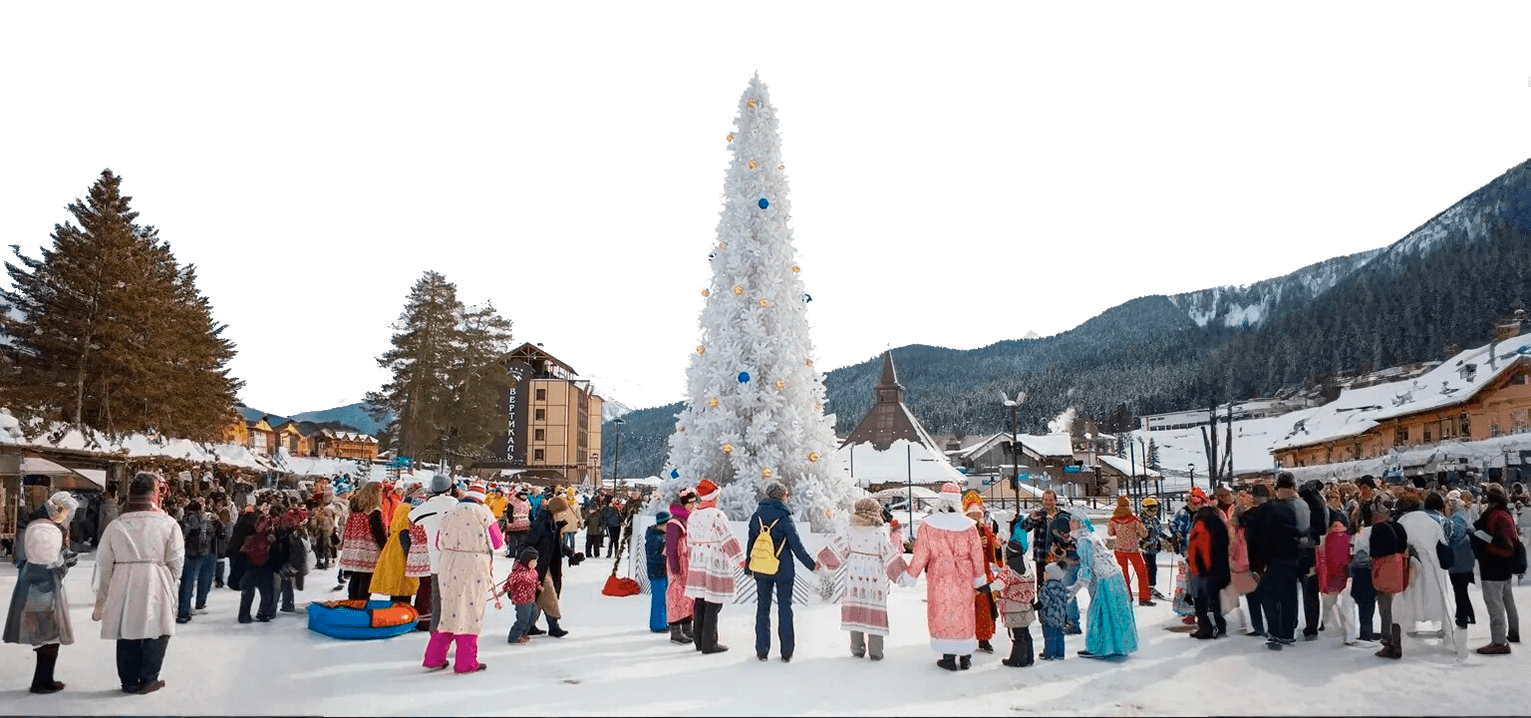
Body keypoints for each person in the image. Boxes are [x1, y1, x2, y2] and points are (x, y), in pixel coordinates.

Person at [92, 472, 184, 695]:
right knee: (157, 629)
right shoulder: (168, 524)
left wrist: (103, 596)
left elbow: (104, 563)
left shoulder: (116, 525)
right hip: (156, 577)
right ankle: (149, 678)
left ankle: (129, 681)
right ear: (155, 494)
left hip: (123, 579)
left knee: (126, 629)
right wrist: (168, 581)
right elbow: (176, 560)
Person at [904, 482, 986, 671]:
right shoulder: (969, 526)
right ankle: (965, 657)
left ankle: (948, 657)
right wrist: (979, 577)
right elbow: (976, 554)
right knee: (963, 612)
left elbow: (920, 554)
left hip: (940, 575)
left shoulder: (928, 526)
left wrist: (911, 574)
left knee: (943, 612)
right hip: (963, 574)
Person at [423, 482, 503, 673]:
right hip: (473, 565)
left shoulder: (449, 513)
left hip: (448, 564)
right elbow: (497, 542)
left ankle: (434, 658)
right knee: (470, 612)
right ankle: (466, 662)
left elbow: (438, 542)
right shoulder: (484, 513)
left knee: (448, 610)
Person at [4, 491, 79, 693]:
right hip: (43, 589)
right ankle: (42, 681)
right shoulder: (48, 531)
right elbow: (47, 563)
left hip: (29, 586)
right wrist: (66, 563)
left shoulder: (34, 526)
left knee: (44, 636)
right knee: (50, 637)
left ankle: (44, 679)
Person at [816, 497, 907, 662]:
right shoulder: (879, 533)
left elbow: (836, 550)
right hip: (874, 582)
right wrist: (901, 575)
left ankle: (857, 649)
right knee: (874, 611)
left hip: (854, 580)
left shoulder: (849, 531)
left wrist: (822, 560)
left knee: (856, 611)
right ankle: (876, 651)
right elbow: (890, 556)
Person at [741, 481, 818, 663]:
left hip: (760, 568)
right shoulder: (785, 517)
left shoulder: (756, 516)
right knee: (785, 608)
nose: (788, 497)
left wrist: (748, 567)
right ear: (782, 495)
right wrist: (812, 565)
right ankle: (786, 651)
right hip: (783, 569)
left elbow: (751, 544)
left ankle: (762, 650)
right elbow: (796, 546)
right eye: (786, 494)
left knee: (762, 608)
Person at [1392, 490, 1467, 661]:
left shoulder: (1402, 521)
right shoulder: (1431, 521)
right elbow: (1443, 544)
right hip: (1433, 567)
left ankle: (1399, 635)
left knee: (1405, 599)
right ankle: (1450, 635)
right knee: (1440, 598)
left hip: (1409, 567)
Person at [685, 479, 745, 655]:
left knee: (700, 601)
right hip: (713, 560)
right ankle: (709, 643)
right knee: (713, 603)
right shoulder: (717, 515)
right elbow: (728, 539)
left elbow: (689, 542)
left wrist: (692, 559)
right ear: (713, 497)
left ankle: (699, 640)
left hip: (698, 559)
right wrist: (740, 560)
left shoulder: (693, 515)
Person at [1068, 514, 1140, 657]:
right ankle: (1119, 646)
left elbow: (1086, 570)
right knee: (1115, 611)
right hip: (1115, 576)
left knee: (1099, 613)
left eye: (1074, 521)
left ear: (1081, 523)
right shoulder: (1090, 534)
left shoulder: (1083, 541)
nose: (1071, 524)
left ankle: (1098, 648)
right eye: (1070, 521)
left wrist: (1072, 591)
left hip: (1105, 579)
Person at [1249, 472, 1303, 650]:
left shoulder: (1265, 509)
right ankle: (1287, 633)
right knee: (1289, 597)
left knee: (1268, 596)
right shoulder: (1298, 508)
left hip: (1270, 560)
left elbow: (1253, 535)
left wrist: (1255, 562)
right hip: (1292, 559)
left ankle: (1275, 632)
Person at [1471, 485, 1521, 654]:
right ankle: (1513, 632)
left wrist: (1484, 545)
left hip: (1493, 566)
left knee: (1495, 605)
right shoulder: (1506, 514)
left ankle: (1499, 641)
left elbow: (1501, 543)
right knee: (1508, 601)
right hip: (1505, 566)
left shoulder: (1495, 516)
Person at [409, 474, 459, 632]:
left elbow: (413, 519)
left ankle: (436, 636)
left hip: (435, 560)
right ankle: (453, 632)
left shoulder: (425, 508)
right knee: (454, 600)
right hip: (456, 560)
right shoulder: (458, 505)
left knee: (435, 598)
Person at [370, 484, 428, 603]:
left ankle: (396, 608)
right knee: (403, 584)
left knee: (397, 584)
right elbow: (405, 531)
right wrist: (410, 554)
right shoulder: (408, 509)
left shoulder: (402, 506)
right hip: (401, 548)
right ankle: (401, 612)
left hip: (395, 545)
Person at [1186, 503, 1230, 639]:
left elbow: (1201, 548)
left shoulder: (1201, 525)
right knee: (1215, 600)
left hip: (1203, 570)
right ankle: (1220, 627)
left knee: (1200, 600)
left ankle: (1205, 629)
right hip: (1217, 567)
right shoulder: (1217, 522)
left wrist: (1201, 567)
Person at [992, 539, 1038, 668]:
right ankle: (1029, 657)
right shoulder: (1027, 565)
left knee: (1016, 635)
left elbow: (999, 584)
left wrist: (984, 588)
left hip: (1012, 607)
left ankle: (1017, 659)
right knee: (1025, 632)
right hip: (1026, 606)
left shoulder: (1007, 569)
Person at [338, 482, 387, 601]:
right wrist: (385, 546)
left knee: (355, 576)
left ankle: (352, 603)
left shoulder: (355, 507)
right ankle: (362, 604)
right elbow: (377, 531)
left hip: (353, 546)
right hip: (367, 548)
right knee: (365, 579)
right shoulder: (373, 510)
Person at [1316, 518, 1358, 645]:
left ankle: (1328, 625)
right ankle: (1348, 632)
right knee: (1347, 605)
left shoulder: (1324, 540)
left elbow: (1320, 560)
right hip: (1345, 576)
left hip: (1329, 576)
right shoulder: (1349, 538)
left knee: (1328, 603)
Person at [665, 488, 698, 645]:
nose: (694, 505)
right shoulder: (674, 523)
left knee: (687, 596)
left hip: (688, 564)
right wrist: (675, 570)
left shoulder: (689, 519)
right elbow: (671, 549)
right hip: (678, 564)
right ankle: (675, 630)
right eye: (691, 503)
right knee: (675, 595)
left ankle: (687, 626)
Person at [1107, 495, 1154, 606]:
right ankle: (1144, 598)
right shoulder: (1134, 519)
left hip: (1119, 550)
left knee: (1124, 574)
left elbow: (1110, 533)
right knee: (1141, 573)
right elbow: (1144, 533)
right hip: (1133, 550)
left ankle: (1127, 596)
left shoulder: (1113, 520)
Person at [176, 499, 217, 624]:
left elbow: (185, 533)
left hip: (190, 552)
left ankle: (184, 611)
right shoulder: (205, 518)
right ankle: (196, 604)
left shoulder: (190, 518)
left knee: (187, 583)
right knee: (200, 579)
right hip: (202, 551)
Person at [503, 548, 542, 645]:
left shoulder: (533, 571)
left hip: (531, 598)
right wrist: (504, 590)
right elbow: (509, 583)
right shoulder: (517, 573)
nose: (535, 564)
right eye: (533, 561)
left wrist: (539, 587)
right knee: (523, 618)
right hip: (521, 600)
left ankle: (524, 632)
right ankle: (514, 637)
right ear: (526, 561)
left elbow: (535, 581)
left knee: (533, 615)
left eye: (536, 561)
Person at [1038, 557, 1071, 660]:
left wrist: (1034, 607)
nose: (1044, 573)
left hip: (1049, 616)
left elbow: (1043, 601)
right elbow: (1065, 600)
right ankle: (1060, 653)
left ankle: (1049, 653)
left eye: (1046, 572)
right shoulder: (1062, 586)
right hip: (1060, 617)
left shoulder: (1047, 587)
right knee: (1060, 636)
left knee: (1049, 637)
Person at [645, 512, 670, 634]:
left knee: (664, 598)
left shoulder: (662, 536)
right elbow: (652, 557)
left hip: (663, 572)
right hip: (656, 573)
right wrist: (666, 557)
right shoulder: (655, 538)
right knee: (658, 599)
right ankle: (657, 625)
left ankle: (663, 622)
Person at [1139, 497, 1167, 600]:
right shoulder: (1141, 520)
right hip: (1145, 548)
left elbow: (1158, 532)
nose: (1154, 511)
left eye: (1155, 508)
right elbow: (1138, 534)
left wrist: (1167, 538)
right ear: (1145, 509)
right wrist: (1142, 542)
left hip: (1154, 548)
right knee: (1148, 568)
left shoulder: (1155, 519)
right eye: (1151, 508)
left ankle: (1151, 586)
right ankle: (1147, 587)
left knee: (1153, 568)